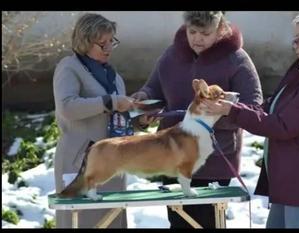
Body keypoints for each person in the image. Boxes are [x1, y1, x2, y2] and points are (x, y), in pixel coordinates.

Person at [132, 11, 263, 228]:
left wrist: (225, 110)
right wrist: (143, 105)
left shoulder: (237, 59)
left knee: (207, 223)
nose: (197, 38)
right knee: (179, 223)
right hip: (171, 157)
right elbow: (153, 89)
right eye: (192, 32)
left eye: (205, 33)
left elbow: (254, 107)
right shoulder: (171, 55)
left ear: (220, 30)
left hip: (214, 161)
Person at [201, 11, 299, 228]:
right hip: (289, 188)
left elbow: (283, 125)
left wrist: (232, 111)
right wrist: (230, 105)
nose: (294, 45)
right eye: (293, 39)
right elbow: (268, 110)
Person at [53, 13, 135, 228]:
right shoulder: (69, 67)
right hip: (80, 162)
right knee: (82, 221)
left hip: (113, 163)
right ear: (85, 42)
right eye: (102, 43)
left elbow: (116, 115)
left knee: (112, 221)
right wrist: (110, 101)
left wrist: (139, 118)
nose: (108, 48)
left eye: (112, 41)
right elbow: (67, 107)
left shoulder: (113, 76)